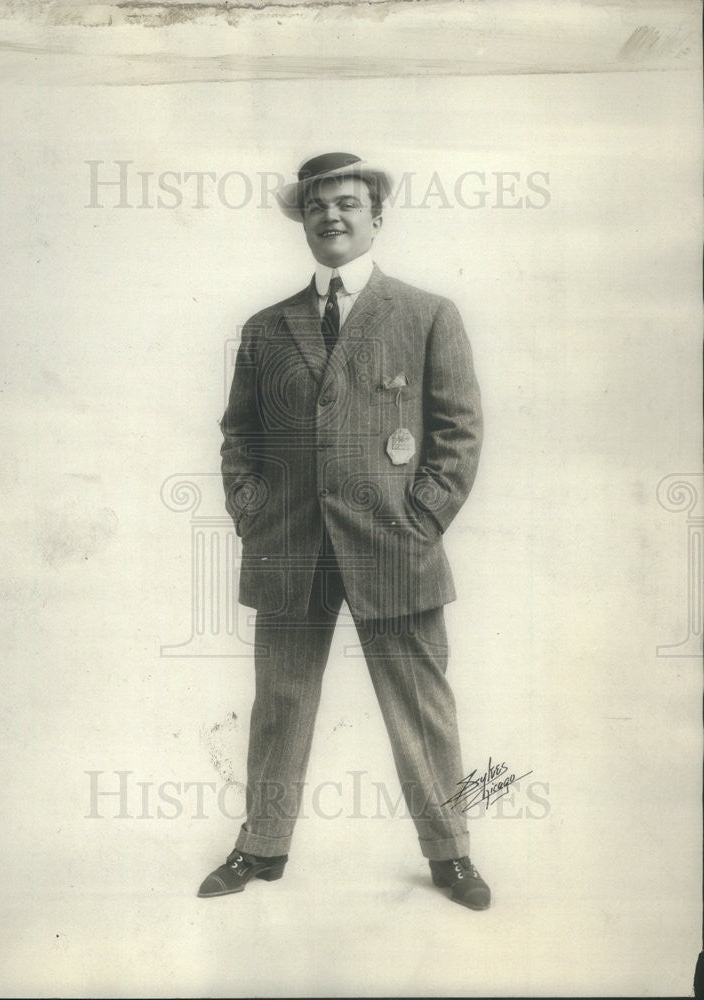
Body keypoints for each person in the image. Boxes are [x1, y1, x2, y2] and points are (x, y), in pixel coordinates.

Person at [198, 152, 489, 909]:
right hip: (289, 546)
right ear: (304, 220)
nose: (332, 215)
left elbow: (458, 434)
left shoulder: (428, 316)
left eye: (348, 203)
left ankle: (451, 854)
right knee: (280, 704)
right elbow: (239, 436)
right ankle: (261, 847)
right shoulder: (266, 328)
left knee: (421, 707)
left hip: (396, 546)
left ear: (376, 216)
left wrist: (419, 518)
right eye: (318, 205)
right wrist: (251, 508)